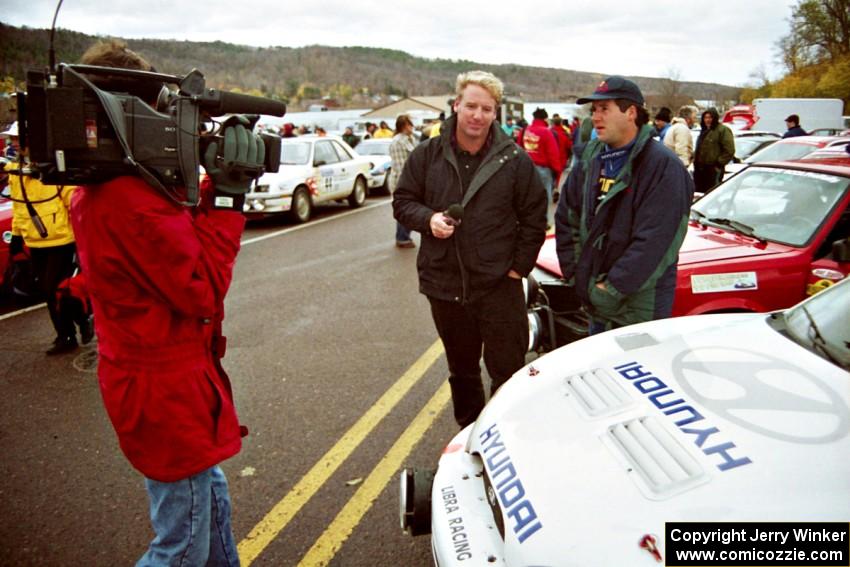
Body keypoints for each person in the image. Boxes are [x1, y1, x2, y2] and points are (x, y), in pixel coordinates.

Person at [71, 39, 263, 567]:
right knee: (181, 542)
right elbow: (199, 286)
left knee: (210, 504)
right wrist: (226, 199)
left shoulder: (111, 188)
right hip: (164, 388)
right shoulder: (128, 200)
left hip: (160, 378)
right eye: (155, 108)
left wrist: (203, 183)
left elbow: (171, 248)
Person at [393, 70, 547, 428]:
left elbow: (535, 218)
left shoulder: (514, 161)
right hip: (445, 285)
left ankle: (507, 433)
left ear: (496, 113)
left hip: (498, 286)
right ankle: (470, 434)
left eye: (487, 109)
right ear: (456, 105)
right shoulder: (427, 155)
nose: (478, 115)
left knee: (507, 370)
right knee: (462, 372)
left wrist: (517, 269)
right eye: (472, 106)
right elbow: (403, 201)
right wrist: (428, 219)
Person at [555, 75, 693, 335]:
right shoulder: (592, 157)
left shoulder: (663, 167)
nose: (595, 117)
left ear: (631, 112)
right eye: (594, 109)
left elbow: (656, 243)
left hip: (638, 310)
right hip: (595, 299)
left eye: (604, 109)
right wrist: (577, 275)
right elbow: (567, 218)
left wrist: (611, 290)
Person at [3, 121, 93, 354]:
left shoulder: (55, 170)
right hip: (35, 242)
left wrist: (81, 241)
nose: (13, 144)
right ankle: (66, 333)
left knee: (58, 289)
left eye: (17, 140)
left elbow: (74, 206)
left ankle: (78, 324)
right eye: (12, 140)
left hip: (61, 241)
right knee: (48, 291)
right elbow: (21, 207)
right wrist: (17, 236)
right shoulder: (16, 173)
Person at [521, 107, 561, 226]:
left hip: (526, 168)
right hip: (543, 169)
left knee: (526, 196)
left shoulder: (526, 130)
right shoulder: (546, 132)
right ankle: (545, 222)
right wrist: (557, 171)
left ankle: (527, 221)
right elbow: (552, 153)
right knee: (544, 197)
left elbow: (518, 148)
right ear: (545, 118)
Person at [389, 114, 417, 248]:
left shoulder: (411, 139)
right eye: (410, 124)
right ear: (404, 126)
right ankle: (402, 237)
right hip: (403, 181)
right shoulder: (398, 142)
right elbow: (400, 166)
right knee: (406, 209)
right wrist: (406, 185)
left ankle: (404, 235)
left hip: (413, 179)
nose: (412, 127)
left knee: (411, 209)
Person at [693, 107, 735, 195]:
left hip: (713, 170)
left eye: (710, 117)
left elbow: (729, 150)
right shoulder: (704, 131)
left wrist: (718, 164)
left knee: (711, 193)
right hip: (700, 170)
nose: (707, 120)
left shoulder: (722, 130)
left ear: (715, 118)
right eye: (705, 117)